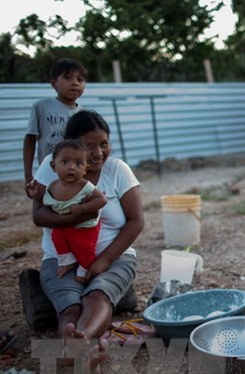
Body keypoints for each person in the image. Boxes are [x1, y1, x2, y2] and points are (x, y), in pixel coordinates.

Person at [26, 109, 144, 372]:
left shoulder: (117, 170)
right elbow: (40, 216)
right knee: (69, 307)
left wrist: (104, 259)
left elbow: (137, 222)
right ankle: (81, 349)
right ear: (69, 146)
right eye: (88, 145)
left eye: (104, 144)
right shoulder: (52, 164)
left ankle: (80, 343)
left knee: (97, 295)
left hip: (114, 257)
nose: (98, 153)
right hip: (62, 259)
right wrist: (81, 213)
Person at [36, 139, 107, 282]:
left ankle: (85, 266)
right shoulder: (53, 186)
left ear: (86, 168)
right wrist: (35, 195)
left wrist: (82, 208)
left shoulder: (86, 186)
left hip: (85, 227)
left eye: (78, 163)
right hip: (64, 225)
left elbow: (102, 200)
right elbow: (46, 203)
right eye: (65, 162)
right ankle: (68, 261)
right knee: (57, 237)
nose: (72, 167)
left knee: (83, 247)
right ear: (53, 165)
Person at [23, 58, 88, 186]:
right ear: (54, 83)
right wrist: (28, 175)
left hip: (74, 177)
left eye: (80, 79)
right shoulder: (42, 107)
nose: (75, 83)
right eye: (68, 78)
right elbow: (30, 140)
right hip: (47, 175)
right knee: (42, 204)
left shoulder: (84, 115)